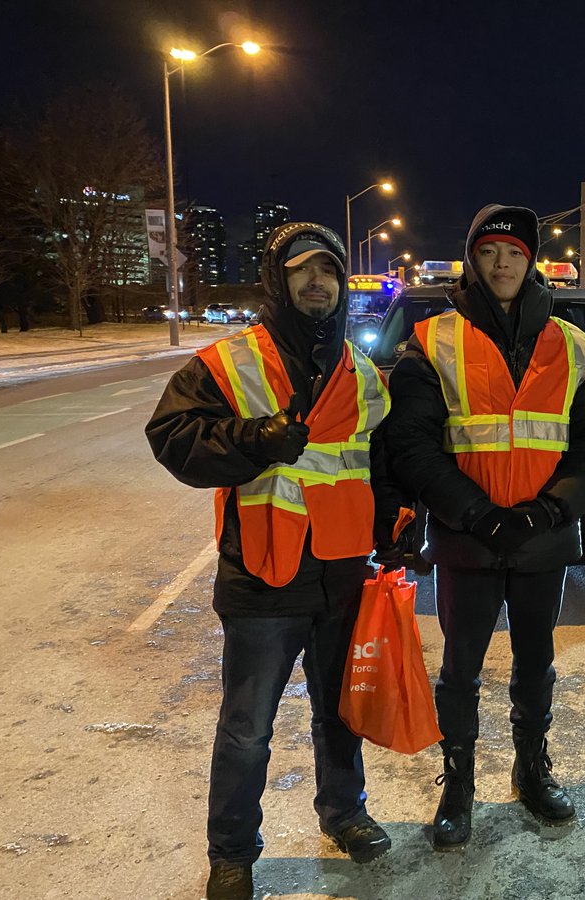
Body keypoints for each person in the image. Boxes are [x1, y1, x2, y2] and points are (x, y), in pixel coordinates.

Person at [147, 223, 396, 900]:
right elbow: (171, 436)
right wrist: (254, 438)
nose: (317, 282)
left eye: (329, 271)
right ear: (277, 281)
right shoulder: (230, 362)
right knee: (247, 727)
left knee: (339, 712)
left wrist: (396, 525)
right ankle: (231, 853)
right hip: (263, 570)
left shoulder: (363, 372)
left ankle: (344, 814)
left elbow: (378, 462)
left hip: (341, 570)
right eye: (301, 270)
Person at [383, 204, 585, 850]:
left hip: (543, 537)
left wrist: (552, 509)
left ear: (531, 260)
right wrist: (475, 513)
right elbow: (412, 445)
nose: (502, 263)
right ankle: (458, 784)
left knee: (536, 662)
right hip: (467, 538)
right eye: (489, 252)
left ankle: (531, 769)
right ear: (472, 261)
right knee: (460, 668)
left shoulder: (575, 345)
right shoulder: (434, 341)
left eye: (515, 252)